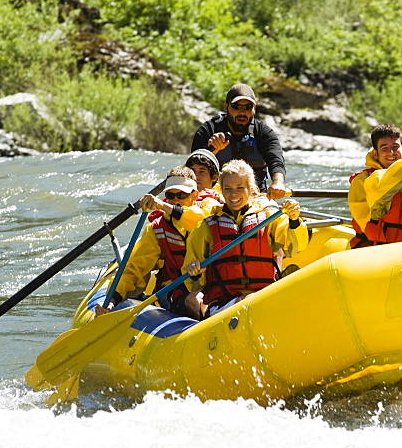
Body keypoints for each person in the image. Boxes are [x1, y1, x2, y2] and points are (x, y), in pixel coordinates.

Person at [182, 160, 306, 319]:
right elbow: (192, 282)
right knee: (248, 301)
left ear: (251, 189)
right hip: (222, 305)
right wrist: (194, 272)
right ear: (221, 191)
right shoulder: (205, 227)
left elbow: (296, 246)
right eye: (228, 189)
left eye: (240, 188)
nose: (233, 194)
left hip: (264, 298)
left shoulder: (268, 219)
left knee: (256, 302)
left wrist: (294, 220)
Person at [89, 167, 203, 316]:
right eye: (170, 195)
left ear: (194, 195)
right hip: (176, 292)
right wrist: (112, 300)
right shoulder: (157, 229)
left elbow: (197, 220)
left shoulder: (209, 210)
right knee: (195, 300)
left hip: (209, 286)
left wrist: (162, 205)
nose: (175, 200)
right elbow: (135, 270)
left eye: (181, 195)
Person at [191, 83, 287, 200]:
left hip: (256, 197)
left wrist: (278, 182)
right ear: (226, 107)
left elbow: (276, 161)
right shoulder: (207, 130)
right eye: (236, 106)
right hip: (214, 197)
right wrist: (211, 152)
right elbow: (192, 169)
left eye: (248, 107)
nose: (242, 112)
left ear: (254, 109)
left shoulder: (264, 133)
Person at [347, 124, 402, 248]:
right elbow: (365, 222)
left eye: (395, 147)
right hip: (375, 247)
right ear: (375, 153)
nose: (391, 153)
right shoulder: (361, 181)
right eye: (384, 148)